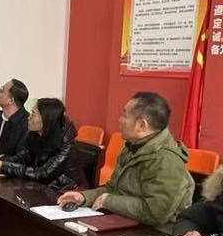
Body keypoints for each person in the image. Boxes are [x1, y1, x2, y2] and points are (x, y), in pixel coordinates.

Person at [56, 91, 193, 228]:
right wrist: (84, 197)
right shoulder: (132, 147)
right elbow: (113, 188)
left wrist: (109, 201)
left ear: (141, 125)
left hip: (156, 233)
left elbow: (155, 213)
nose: (120, 120)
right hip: (126, 221)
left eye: (125, 115)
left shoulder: (166, 160)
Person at [0, 97, 82, 192]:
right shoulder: (34, 133)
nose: (29, 117)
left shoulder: (67, 143)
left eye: (33, 114)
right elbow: (24, 157)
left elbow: (44, 174)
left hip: (64, 190)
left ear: (46, 119)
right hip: (41, 185)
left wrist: (3, 166)